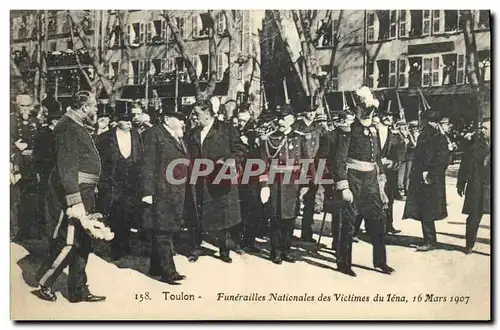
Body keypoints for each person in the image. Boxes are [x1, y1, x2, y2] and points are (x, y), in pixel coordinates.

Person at [35, 90, 105, 303]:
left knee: (84, 241)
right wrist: (75, 201)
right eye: (94, 107)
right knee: (69, 240)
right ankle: (45, 281)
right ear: (85, 107)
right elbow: (67, 167)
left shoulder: (76, 125)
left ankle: (78, 289)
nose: (95, 110)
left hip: (85, 191)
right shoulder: (67, 127)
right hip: (74, 194)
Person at [332, 86, 394, 276]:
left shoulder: (374, 130)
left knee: (378, 221)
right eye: (365, 109)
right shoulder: (348, 130)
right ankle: (344, 263)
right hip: (353, 179)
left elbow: (375, 159)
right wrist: (344, 186)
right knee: (349, 223)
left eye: (371, 110)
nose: (368, 113)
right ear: (357, 109)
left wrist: (381, 184)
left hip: (371, 181)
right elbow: (339, 160)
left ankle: (380, 261)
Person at [187, 100, 246, 263]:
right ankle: (195, 248)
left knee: (223, 215)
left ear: (207, 114)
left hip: (220, 177)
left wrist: (231, 160)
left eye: (197, 114)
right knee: (197, 214)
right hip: (198, 180)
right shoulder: (193, 132)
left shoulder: (227, 129)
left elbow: (240, 149)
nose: (194, 117)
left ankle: (224, 249)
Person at [140, 109, 194, 284]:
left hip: (175, 191)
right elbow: (147, 164)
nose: (182, 122)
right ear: (167, 119)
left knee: (165, 229)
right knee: (163, 231)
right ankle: (168, 272)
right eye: (179, 119)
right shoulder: (154, 134)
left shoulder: (176, 135)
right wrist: (147, 192)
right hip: (161, 190)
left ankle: (156, 267)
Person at [258, 104, 309, 264]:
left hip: (292, 184)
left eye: (284, 118)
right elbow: (263, 163)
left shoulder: (299, 138)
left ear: (292, 119)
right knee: (275, 218)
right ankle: (275, 251)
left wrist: (305, 184)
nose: (281, 121)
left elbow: (306, 162)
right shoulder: (270, 138)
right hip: (275, 183)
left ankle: (286, 250)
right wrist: (264, 185)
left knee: (290, 218)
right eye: (279, 118)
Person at [97, 100, 143, 260]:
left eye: (131, 120)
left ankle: (125, 244)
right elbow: (99, 161)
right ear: (117, 120)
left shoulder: (137, 136)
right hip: (112, 183)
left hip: (131, 183)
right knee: (114, 214)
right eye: (126, 120)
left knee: (129, 214)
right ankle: (115, 247)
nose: (130, 123)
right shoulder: (104, 138)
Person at [402, 110, 451, 252]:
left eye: (423, 120)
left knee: (427, 209)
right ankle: (429, 239)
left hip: (429, 179)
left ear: (428, 121)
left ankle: (430, 241)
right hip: (424, 178)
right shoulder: (430, 135)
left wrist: (429, 173)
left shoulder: (435, 137)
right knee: (425, 209)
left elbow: (441, 160)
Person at [457, 118, 491, 254]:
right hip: (476, 185)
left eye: (486, 128)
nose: (482, 131)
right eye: (481, 128)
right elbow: (464, 165)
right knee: (474, 216)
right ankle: (469, 244)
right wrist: (460, 183)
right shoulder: (474, 146)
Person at [293, 104, 326, 243]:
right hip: (299, 166)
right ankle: (289, 230)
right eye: (309, 110)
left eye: (313, 111)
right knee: (294, 197)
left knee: (310, 200)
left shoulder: (319, 128)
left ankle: (307, 232)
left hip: (314, 167)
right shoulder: (296, 127)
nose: (311, 113)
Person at [10, 94, 39, 241]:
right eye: (23, 106)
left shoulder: (35, 121)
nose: (26, 109)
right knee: (15, 199)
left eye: (28, 105)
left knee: (30, 199)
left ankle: (30, 230)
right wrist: (14, 147)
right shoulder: (10, 120)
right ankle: (15, 231)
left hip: (32, 167)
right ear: (16, 105)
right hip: (16, 165)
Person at [375, 109, 406, 235]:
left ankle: (388, 225)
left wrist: (394, 163)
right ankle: (366, 228)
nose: (388, 118)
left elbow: (401, 153)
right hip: (373, 170)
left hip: (389, 171)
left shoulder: (395, 135)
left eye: (390, 116)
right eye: (385, 115)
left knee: (389, 199)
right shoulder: (373, 131)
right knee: (371, 199)